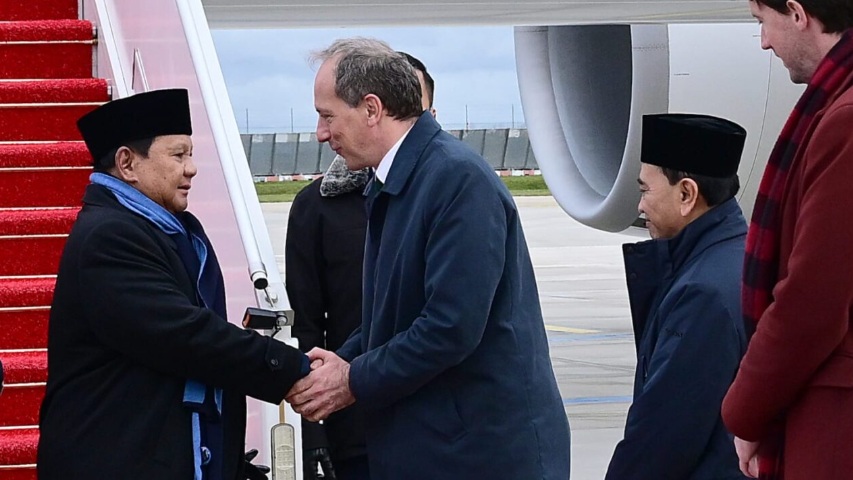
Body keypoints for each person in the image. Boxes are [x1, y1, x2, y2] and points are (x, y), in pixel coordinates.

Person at [285, 38, 571, 479]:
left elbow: (449, 327)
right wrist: (343, 361)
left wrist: (351, 379)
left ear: (372, 108)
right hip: (439, 448)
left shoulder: (456, 181)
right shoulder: (402, 179)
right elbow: (394, 311)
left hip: (477, 456)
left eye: (327, 116)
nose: (322, 134)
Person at [37, 88, 310, 480]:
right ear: (127, 163)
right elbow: (186, 334)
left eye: (191, 154)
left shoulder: (165, 230)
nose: (192, 168)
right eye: (178, 155)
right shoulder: (109, 237)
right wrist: (292, 368)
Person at [285, 52, 435, 480]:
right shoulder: (317, 207)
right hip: (352, 419)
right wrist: (312, 428)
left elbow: (446, 323)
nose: (321, 133)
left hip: (418, 418)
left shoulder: (446, 190)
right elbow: (307, 324)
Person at [721, 1, 853, 478]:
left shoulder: (844, 120)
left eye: (763, 22)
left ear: (798, 14)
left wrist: (746, 413)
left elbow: (813, 302)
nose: (764, 42)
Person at [605, 114, 749, 480]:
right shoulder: (740, 258)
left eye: (645, 190)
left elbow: (662, 436)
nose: (639, 207)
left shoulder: (702, 293)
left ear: (686, 195)